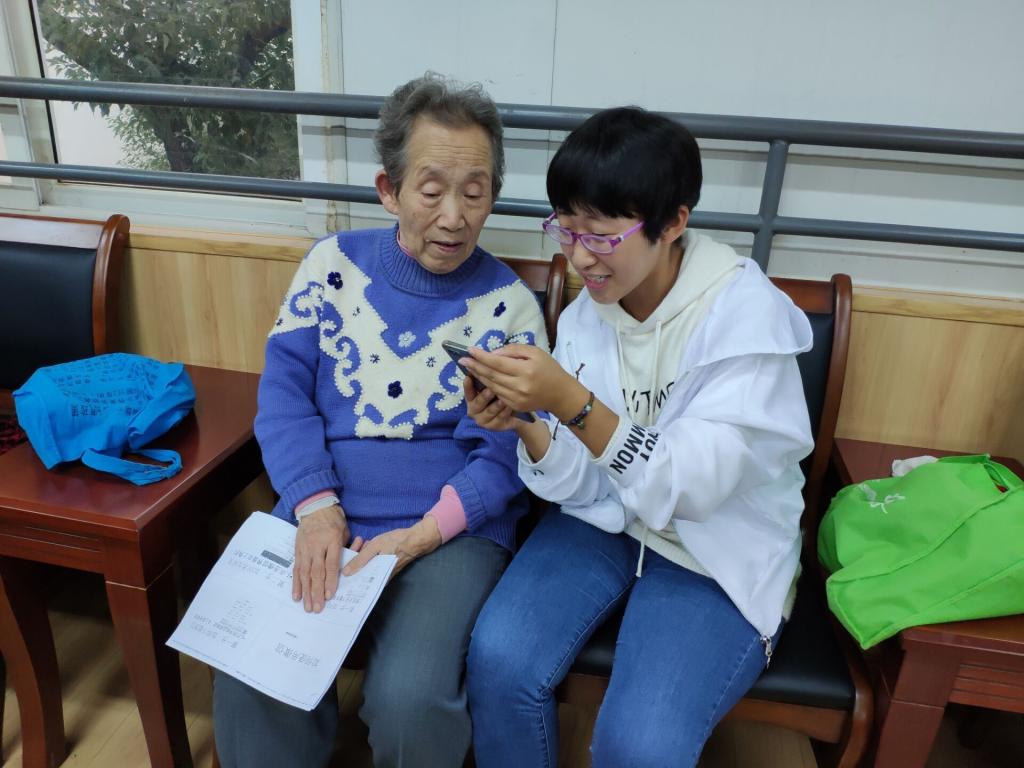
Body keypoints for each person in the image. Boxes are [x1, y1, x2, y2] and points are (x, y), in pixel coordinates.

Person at [461, 106, 815, 767]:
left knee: (640, 746)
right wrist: (528, 423)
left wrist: (570, 401)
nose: (578, 256)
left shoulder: (744, 316)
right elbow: (582, 480)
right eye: (566, 229)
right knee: (500, 660)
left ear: (673, 222)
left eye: (601, 236)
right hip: (607, 521)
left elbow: (692, 488)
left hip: (711, 547)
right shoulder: (587, 315)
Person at [212, 73, 548, 768]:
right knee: (253, 667)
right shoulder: (330, 266)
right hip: (322, 507)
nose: (454, 216)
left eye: (475, 192)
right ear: (388, 190)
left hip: (451, 530)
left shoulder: (510, 306)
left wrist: (422, 536)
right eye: (432, 191)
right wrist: (316, 507)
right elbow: (283, 397)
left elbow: (505, 456)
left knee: (410, 701)